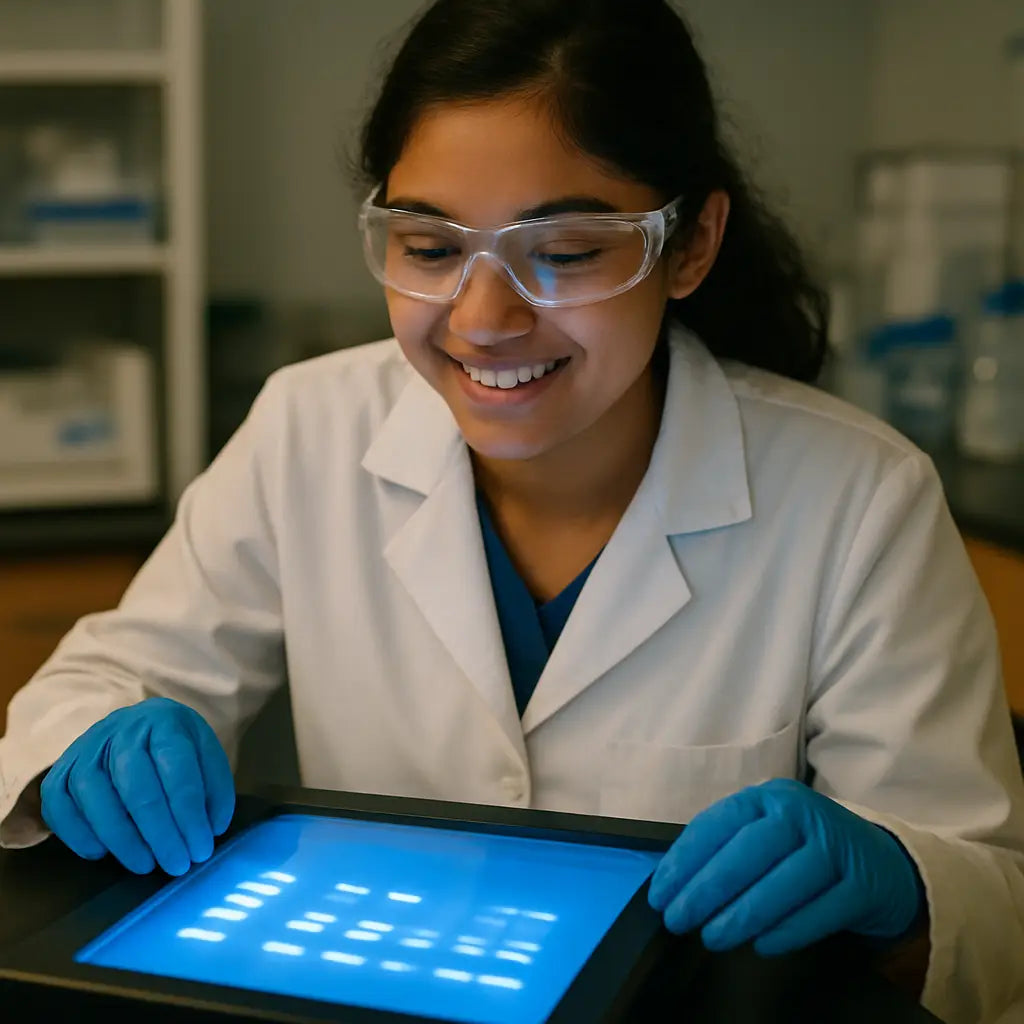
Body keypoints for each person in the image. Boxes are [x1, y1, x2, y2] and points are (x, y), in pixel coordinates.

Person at [1, 1, 1022, 1020]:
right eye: (431, 248)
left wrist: (903, 881)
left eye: (568, 251)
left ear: (692, 245)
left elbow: (994, 908)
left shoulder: (858, 497)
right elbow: (102, 680)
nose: (485, 321)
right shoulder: (305, 428)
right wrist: (92, 741)